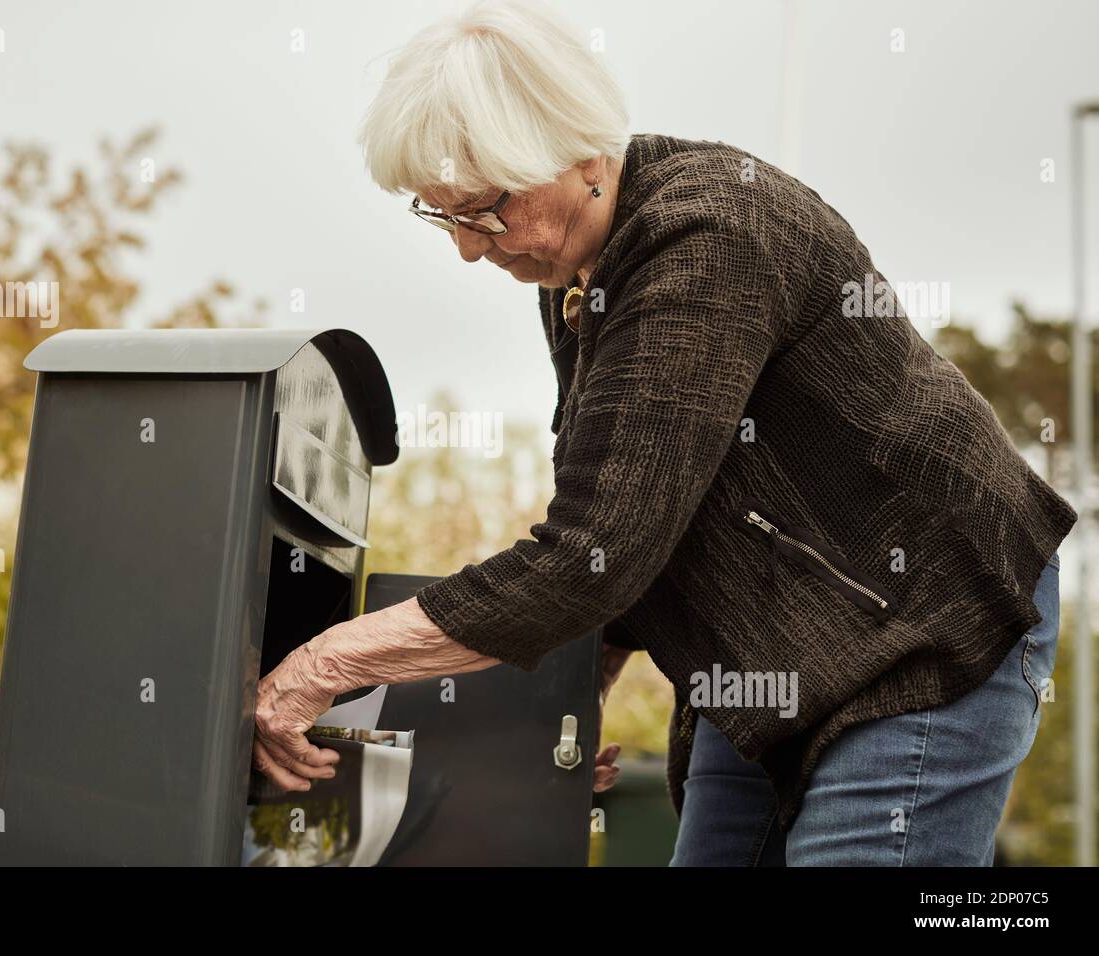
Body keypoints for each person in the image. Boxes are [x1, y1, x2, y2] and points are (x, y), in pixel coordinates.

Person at [251, 0, 1076, 865]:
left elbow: (589, 551)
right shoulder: (575, 268)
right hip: (774, 646)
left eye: (484, 210)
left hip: (925, 623)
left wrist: (324, 663)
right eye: (441, 215)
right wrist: (577, 688)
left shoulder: (706, 239)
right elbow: (638, 510)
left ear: (573, 150)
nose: (466, 248)